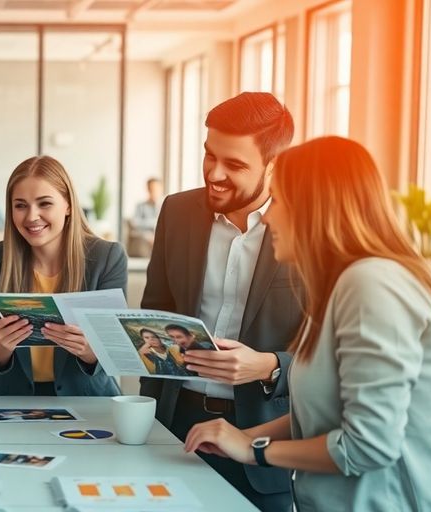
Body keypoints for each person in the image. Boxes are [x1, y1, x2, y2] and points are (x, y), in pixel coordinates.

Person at [183, 137, 431, 511]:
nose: (268, 216)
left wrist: (254, 450)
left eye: (279, 201)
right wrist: (242, 438)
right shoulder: (337, 288)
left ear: (316, 208)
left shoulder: (371, 284)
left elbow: (367, 445)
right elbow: (324, 412)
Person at [140, 92, 302, 511]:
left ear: (273, 165)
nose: (214, 172)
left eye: (234, 164)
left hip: (264, 434)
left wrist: (268, 366)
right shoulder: (176, 213)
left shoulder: (304, 228)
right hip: (175, 426)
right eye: (210, 155)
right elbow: (151, 318)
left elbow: (330, 358)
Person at [0, 155, 127, 396]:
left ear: (68, 205)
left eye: (44, 203)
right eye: (20, 205)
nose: (31, 216)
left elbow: (117, 350)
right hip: (12, 399)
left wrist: (88, 350)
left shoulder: (107, 257)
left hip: (88, 400)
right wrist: (1, 346)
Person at [127, 177, 163, 256]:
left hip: (161, 236)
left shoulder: (165, 205)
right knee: (146, 237)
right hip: (146, 236)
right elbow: (135, 223)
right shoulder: (141, 206)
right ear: (148, 189)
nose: (154, 192)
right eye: (152, 189)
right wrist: (154, 222)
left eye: (156, 189)